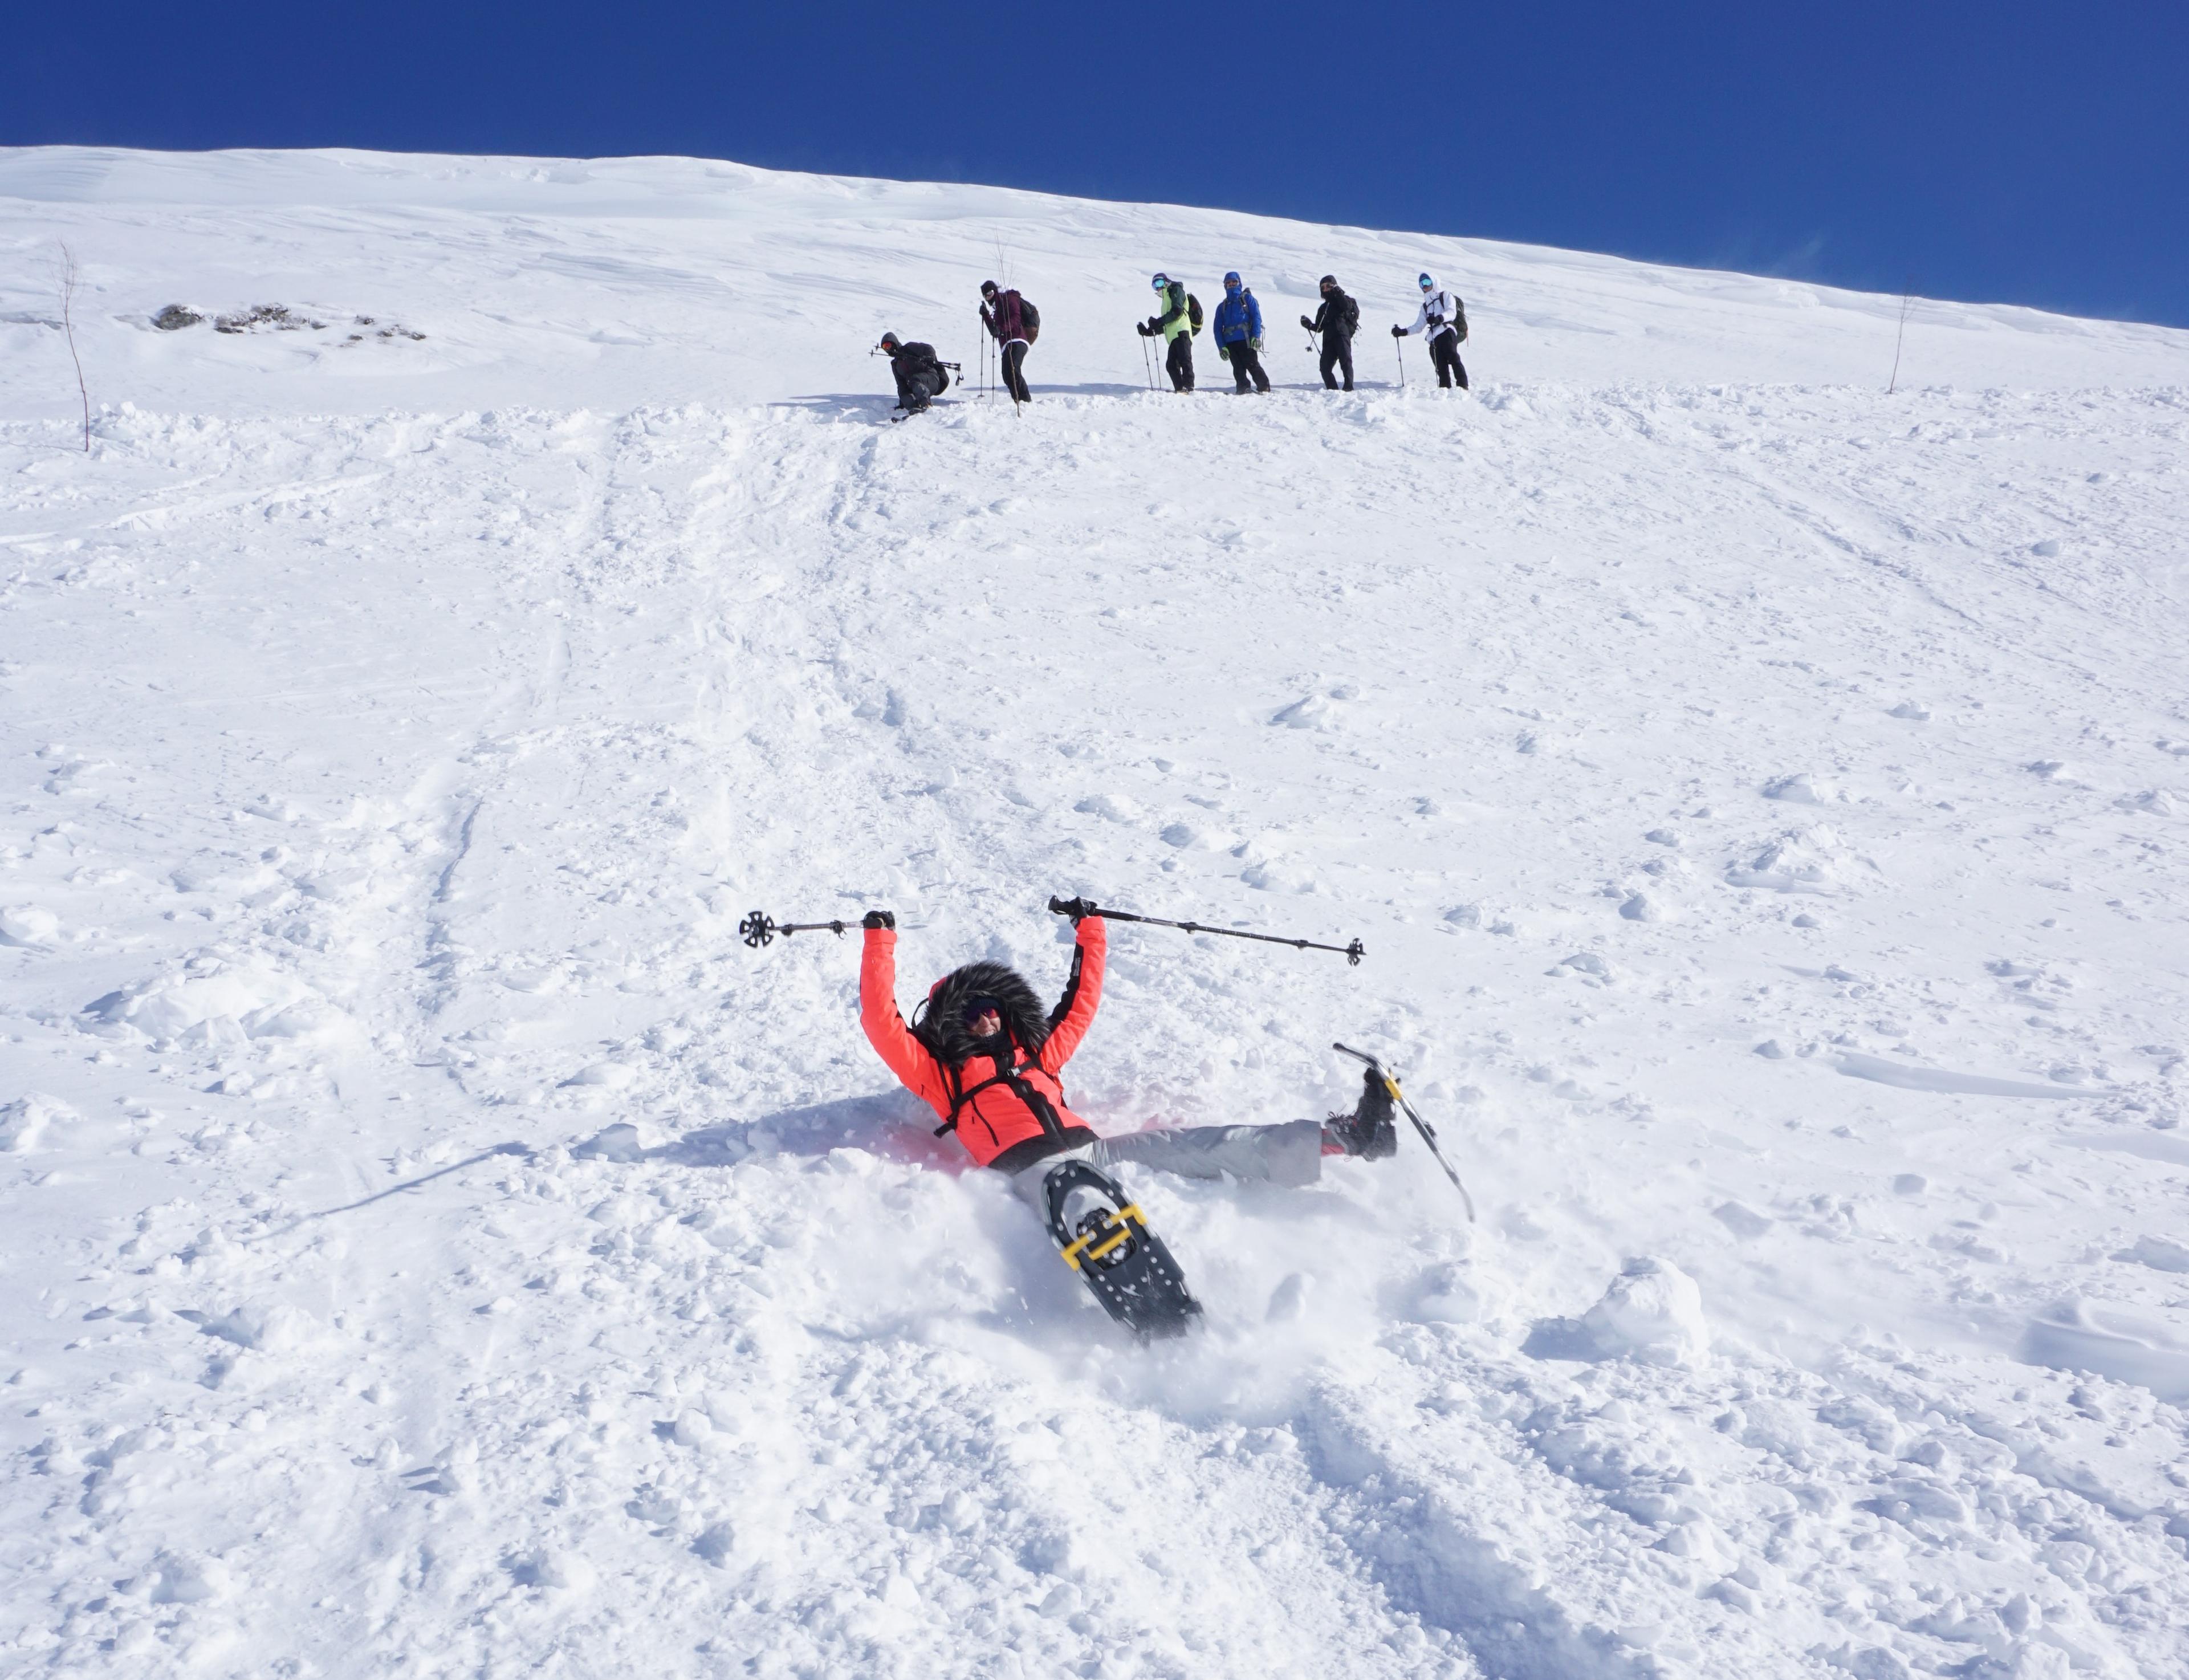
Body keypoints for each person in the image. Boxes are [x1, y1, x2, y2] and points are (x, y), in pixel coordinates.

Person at [856, 905, 1396, 1213]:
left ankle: (1350, 1137)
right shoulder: (944, 1078)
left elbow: (1080, 1003)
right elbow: (882, 1023)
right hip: (1030, 1170)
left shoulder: (1038, 1056)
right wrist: (881, 942)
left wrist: (1089, 930)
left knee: (1209, 1145)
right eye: (972, 1009)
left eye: (993, 1004)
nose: (987, 1016)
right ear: (952, 1020)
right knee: (1077, 1203)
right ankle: (1126, 1277)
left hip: (1095, 1152)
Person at [1393, 272, 1468, 390]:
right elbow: (1419, 326)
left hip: (1447, 332)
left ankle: (1463, 386)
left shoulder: (1445, 296)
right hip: (1434, 339)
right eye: (1422, 284)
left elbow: (1451, 312)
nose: (1425, 286)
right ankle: (1445, 390)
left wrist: (1439, 319)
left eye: (1428, 282)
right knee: (1440, 367)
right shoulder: (1425, 306)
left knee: (1454, 358)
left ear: (1434, 282)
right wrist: (1402, 332)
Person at [1211, 271, 1271, 395]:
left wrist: (1256, 336)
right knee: (1238, 368)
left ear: (1239, 283)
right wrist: (1222, 347)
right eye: (1228, 283)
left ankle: (1264, 387)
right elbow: (1217, 329)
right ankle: (1243, 388)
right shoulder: (1222, 306)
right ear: (1225, 286)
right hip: (1230, 343)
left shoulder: (1247, 299)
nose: (1231, 285)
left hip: (1246, 339)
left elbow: (1256, 318)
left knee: (1252, 364)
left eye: (1234, 282)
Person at [979, 281, 1039, 404]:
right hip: (1008, 344)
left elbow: (1016, 319)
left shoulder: (1010, 298)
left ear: (996, 291)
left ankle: (1025, 400)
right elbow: (995, 331)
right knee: (1007, 375)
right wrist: (986, 315)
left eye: (990, 293)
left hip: (1017, 339)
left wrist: (1001, 328)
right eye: (986, 295)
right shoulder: (997, 309)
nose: (989, 297)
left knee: (1013, 370)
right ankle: (1019, 401)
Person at [1137, 272, 1195, 393]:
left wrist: (1158, 321)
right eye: (1155, 285)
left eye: (1159, 283)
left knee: (1185, 360)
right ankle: (1180, 389)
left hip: (1182, 332)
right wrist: (1150, 331)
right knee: (1171, 365)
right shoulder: (1166, 298)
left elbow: (1177, 312)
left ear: (1166, 281)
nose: (1158, 287)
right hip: (1173, 335)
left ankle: (1189, 387)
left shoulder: (1176, 290)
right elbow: (1168, 322)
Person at [1302, 274, 1358, 391]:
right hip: (1328, 340)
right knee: (1324, 367)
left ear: (1335, 285)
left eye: (1329, 286)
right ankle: (1332, 390)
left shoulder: (1346, 300)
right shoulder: (1324, 308)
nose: (1326, 289)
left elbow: (1347, 307)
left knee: (1346, 362)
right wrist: (1309, 325)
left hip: (1342, 335)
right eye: (1323, 287)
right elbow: (1319, 328)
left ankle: (1349, 388)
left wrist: (1338, 293)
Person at [879, 331, 947, 413]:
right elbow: (901, 384)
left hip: (932, 379)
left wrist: (930, 357)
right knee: (903, 391)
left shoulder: (909, 348)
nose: (888, 349)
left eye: (888, 345)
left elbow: (928, 348)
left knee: (914, 379)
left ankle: (926, 404)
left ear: (894, 343)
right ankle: (914, 407)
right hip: (916, 386)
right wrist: (904, 401)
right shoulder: (895, 364)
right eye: (885, 347)